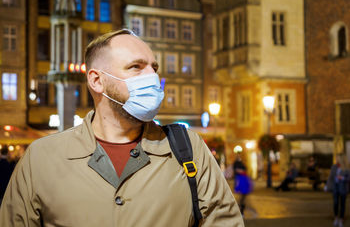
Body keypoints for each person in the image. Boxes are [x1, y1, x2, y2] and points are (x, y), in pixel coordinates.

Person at [0, 29, 244, 227]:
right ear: (97, 80)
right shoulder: (41, 158)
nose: (152, 77)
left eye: (154, 68)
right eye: (136, 67)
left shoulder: (188, 149)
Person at [325, 154, 350, 227]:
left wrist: (342, 178)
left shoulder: (347, 168)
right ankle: (336, 217)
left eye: (337, 158)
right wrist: (327, 186)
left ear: (341, 159)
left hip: (343, 188)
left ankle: (341, 219)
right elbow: (330, 177)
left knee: (342, 204)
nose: (336, 160)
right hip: (335, 188)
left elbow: (349, 178)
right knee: (335, 203)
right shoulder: (334, 167)